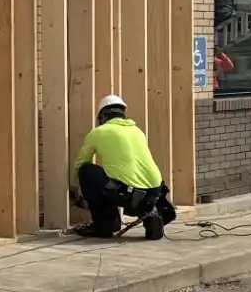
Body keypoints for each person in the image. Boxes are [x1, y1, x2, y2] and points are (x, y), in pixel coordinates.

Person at [69, 93, 175, 241]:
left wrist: (73, 189)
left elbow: (80, 163)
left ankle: (104, 225)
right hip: (155, 192)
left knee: (87, 171)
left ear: (103, 117)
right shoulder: (137, 131)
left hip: (130, 195)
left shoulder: (98, 133)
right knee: (116, 179)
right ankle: (150, 215)